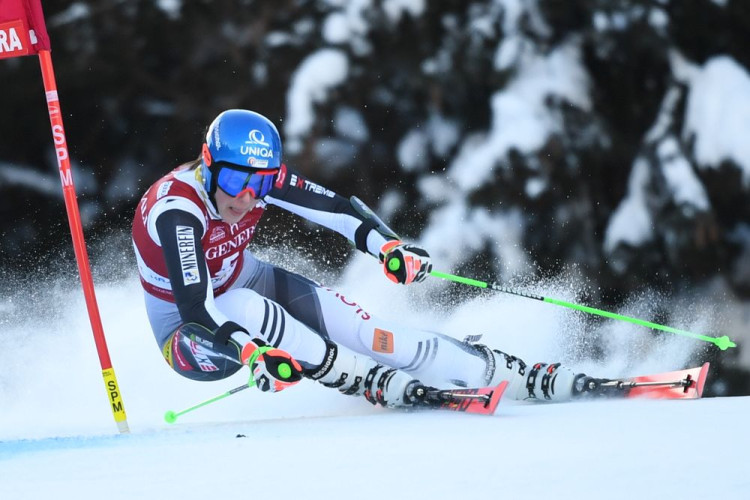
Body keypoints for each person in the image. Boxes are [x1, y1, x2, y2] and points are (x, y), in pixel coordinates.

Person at [132, 109, 595, 409]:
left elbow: (334, 208)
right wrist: (251, 352)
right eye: (234, 181)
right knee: (252, 312)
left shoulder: (256, 186)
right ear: (209, 164)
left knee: (368, 331)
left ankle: (498, 371)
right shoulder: (179, 210)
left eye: (261, 183)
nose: (248, 196)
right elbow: (196, 304)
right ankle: (362, 379)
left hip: (246, 280)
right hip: (191, 335)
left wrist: (388, 246)